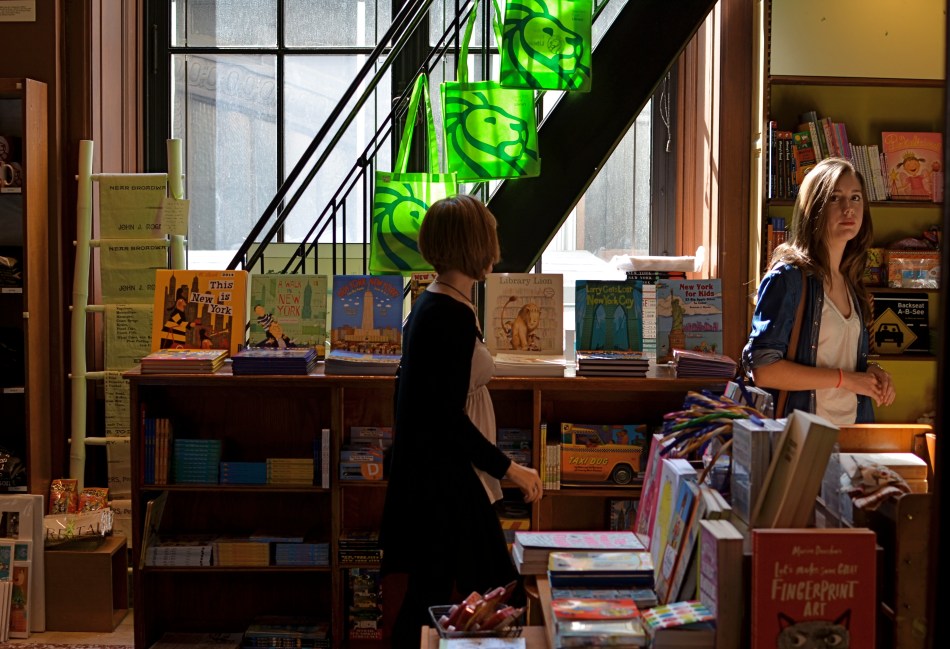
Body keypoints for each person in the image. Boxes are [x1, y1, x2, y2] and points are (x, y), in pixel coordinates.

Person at [379, 194, 543, 646]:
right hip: (448, 487)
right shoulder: (445, 315)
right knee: (500, 593)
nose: (496, 246)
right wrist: (511, 469)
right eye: (490, 237)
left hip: (440, 484)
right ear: (476, 246)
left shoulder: (438, 306)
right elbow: (445, 419)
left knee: (434, 596)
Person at [742, 157, 895, 425]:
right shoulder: (788, 278)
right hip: (801, 437)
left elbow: (838, 360)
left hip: (852, 434)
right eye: (835, 198)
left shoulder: (852, 282)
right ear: (814, 208)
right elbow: (764, 370)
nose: (848, 208)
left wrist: (871, 374)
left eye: (856, 197)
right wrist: (846, 379)